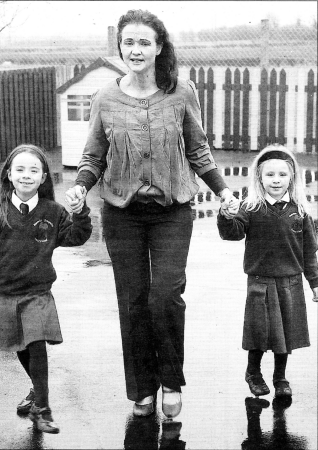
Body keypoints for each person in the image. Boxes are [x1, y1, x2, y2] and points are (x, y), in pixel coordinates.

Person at [66, 9, 239, 418]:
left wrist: (223, 191)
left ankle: (171, 381)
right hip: (122, 213)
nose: (136, 49)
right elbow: (93, 155)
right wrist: (79, 186)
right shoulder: (106, 97)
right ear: (120, 47)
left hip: (171, 211)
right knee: (133, 300)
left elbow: (198, 149)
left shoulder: (181, 91)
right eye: (129, 42)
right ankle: (141, 387)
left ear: (159, 47)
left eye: (145, 41)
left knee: (165, 297)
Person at [0, 144, 92, 434]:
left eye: (34, 170)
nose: (26, 176)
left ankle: (43, 409)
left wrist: (80, 213)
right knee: (21, 347)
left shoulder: (53, 212)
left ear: (44, 177)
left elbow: (76, 237)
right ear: (9, 174)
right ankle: (37, 392)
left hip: (37, 293)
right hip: (6, 294)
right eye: (20, 170)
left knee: (36, 344)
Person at [217, 144, 318, 399]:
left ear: (292, 177)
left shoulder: (301, 212)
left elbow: (309, 253)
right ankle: (253, 372)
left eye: (282, 175)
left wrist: (315, 283)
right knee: (259, 331)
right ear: (259, 178)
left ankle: (280, 377)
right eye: (269, 174)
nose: (276, 180)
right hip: (260, 282)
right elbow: (233, 233)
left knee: (285, 333)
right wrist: (226, 216)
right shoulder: (250, 208)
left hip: (290, 282)